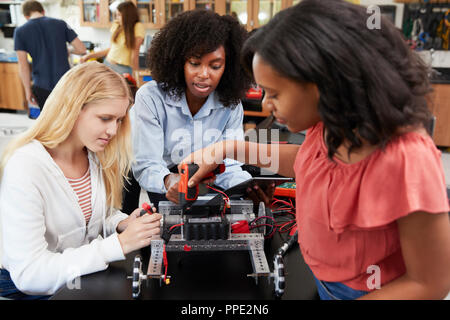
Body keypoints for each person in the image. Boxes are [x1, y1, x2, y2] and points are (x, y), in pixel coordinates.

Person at [179, 0, 450, 300]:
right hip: (323, 280)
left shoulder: (407, 159)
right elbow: (307, 162)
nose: (266, 104)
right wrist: (226, 149)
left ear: (327, 83)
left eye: (275, 93)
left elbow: (430, 283)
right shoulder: (329, 125)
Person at [0, 61, 162, 299]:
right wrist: (117, 245)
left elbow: (92, 219)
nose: (114, 131)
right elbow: (30, 274)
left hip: (79, 277)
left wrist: (120, 223)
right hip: (31, 290)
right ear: (72, 108)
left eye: (118, 120)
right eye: (105, 118)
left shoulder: (92, 155)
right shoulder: (26, 166)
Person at [128, 9, 274, 211]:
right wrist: (169, 180)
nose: (204, 74)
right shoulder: (151, 98)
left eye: (215, 66)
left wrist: (248, 187)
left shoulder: (230, 105)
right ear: (179, 62)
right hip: (162, 195)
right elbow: (147, 166)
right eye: (195, 63)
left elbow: (229, 166)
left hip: (210, 191)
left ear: (228, 67)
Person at [14, 0, 86, 110]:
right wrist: (68, 50)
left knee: (48, 122)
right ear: (43, 11)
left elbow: (23, 66)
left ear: (26, 16)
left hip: (41, 85)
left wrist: (27, 91)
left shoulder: (20, 31)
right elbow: (81, 49)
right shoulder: (60, 24)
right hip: (65, 83)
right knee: (67, 119)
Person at [80, 1, 144, 78]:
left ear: (128, 15)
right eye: (116, 15)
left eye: (119, 15)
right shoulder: (117, 25)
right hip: (107, 64)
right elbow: (111, 49)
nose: (117, 18)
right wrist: (89, 56)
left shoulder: (138, 27)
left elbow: (135, 54)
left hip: (123, 70)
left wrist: (136, 74)